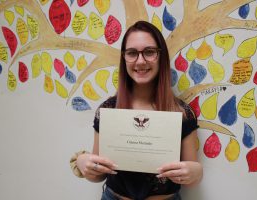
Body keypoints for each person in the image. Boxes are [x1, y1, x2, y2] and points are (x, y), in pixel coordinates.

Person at [70, 21, 203, 200]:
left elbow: (191, 181)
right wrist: (83, 162)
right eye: (132, 53)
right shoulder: (108, 110)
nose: (140, 61)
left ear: (161, 57)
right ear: (124, 58)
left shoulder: (182, 113)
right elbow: (99, 174)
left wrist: (196, 172)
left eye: (149, 52)